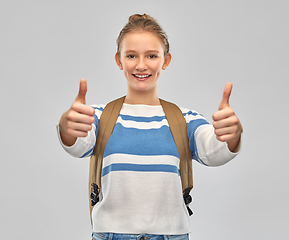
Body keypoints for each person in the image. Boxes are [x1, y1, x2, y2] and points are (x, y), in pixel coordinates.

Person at [57, 14, 243, 240]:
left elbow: (213, 151)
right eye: (131, 55)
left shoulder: (183, 119)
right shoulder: (99, 117)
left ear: (166, 60)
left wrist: (230, 135)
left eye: (152, 55)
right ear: (119, 60)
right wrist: (68, 127)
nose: (141, 65)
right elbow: (78, 144)